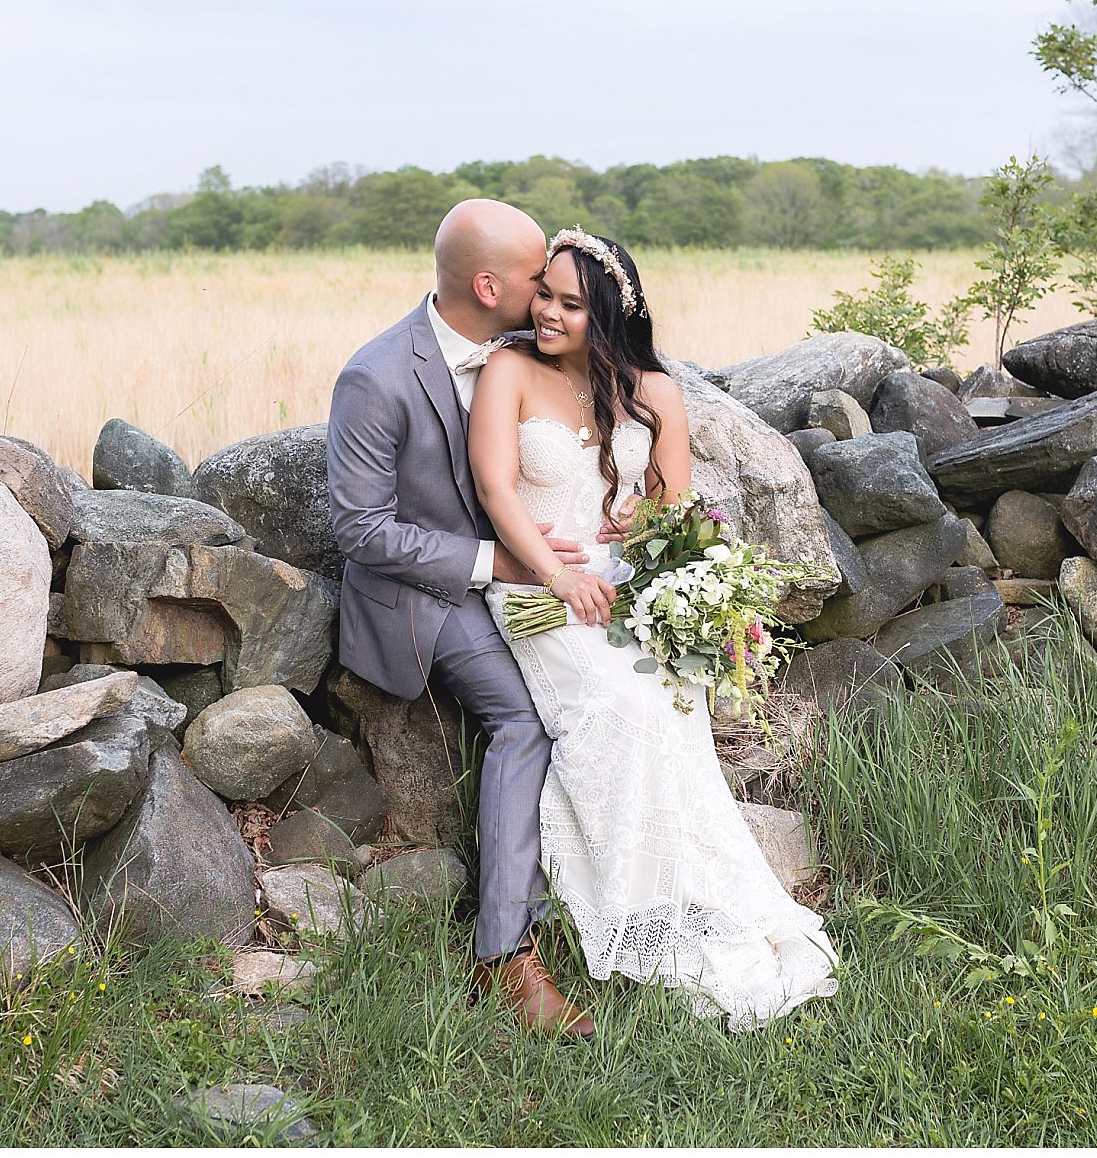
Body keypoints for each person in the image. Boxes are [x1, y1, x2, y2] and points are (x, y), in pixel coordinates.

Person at [466, 226, 839, 1031]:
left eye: (571, 304)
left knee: (671, 701)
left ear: (609, 315)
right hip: (537, 587)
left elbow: (677, 508)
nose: (548, 313)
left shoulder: (654, 391)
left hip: (628, 589)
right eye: (544, 295)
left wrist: (644, 525)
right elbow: (496, 489)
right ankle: (633, 908)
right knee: (619, 705)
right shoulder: (509, 370)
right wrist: (557, 574)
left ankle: (689, 898)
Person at [324, 198, 602, 1039]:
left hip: (528, 571)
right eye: (535, 279)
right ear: (488, 286)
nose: (547, 294)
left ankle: (601, 898)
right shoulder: (375, 376)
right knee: (525, 718)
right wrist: (497, 563)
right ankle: (504, 955)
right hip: (428, 595)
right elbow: (360, 529)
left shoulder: (526, 344)